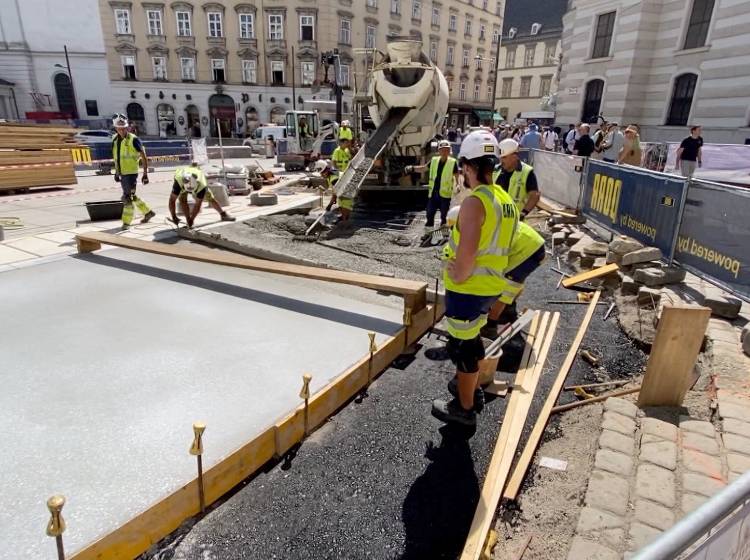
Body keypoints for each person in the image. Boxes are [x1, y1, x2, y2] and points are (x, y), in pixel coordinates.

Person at [431, 130, 519, 427]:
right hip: (490, 288)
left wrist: (454, 271)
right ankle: (472, 391)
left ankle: (464, 408)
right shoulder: (505, 200)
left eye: (463, 169)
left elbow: (466, 257)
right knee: (470, 341)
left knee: (465, 348)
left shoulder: (474, 203)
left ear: (468, 166)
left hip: (468, 289)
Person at [479, 221, 545, 339]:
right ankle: (508, 309)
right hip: (531, 244)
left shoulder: (485, 234)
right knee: (515, 282)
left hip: (527, 250)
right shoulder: (487, 221)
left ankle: (490, 326)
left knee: (506, 289)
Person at [111, 114, 155, 230]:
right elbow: (117, 157)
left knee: (127, 198)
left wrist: (145, 174)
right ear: (115, 128)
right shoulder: (115, 140)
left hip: (131, 174)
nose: (122, 130)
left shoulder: (133, 139)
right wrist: (117, 172)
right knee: (132, 196)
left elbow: (143, 156)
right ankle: (148, 212)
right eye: (119, 128)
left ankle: (126, 222)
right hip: (122, 173)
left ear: (127, 127)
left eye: (124, 128)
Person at [405, 140, 459, 230]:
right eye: (442, 150)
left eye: (447, 150)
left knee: (444, 217)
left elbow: (457, 176)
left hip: (445, 195)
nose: (444, 152)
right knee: (429, 215)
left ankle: (444, 235)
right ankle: (428, 234)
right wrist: (412, 168)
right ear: (439, 151)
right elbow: (423, 168)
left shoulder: (453, 162)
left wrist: (458, 185)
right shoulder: (434, 160)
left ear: (450, 151)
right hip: (433, 194)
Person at [169, 162, 235, 227]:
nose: (190, 193)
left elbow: (197, 205)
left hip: (196, 181)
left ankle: (223, 214)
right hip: (183, 179)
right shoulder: (178, 183)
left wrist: (192, 219)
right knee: (182, 200)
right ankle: (187, 219)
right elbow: (172, 200)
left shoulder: (202, 185)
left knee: (210, 198)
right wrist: (174, 217)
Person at [493, 138, 541, 219]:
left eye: (504, 157)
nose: (501, 160)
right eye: (500, 157)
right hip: (495, 219)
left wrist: (523, 213)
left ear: (514, 157)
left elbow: (534, 195)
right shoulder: (495, 170)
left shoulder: (526, 172)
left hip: (514, 222)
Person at [327, 140, 354, 220]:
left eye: (348, 143)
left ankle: (345, 220)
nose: (347, 144)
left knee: (344, 201)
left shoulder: (346, 150)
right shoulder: (337, 151)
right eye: (346, 143)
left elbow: (335, 192)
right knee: (344, 202)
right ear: (341, 143)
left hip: (345, 176)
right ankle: (345, 218)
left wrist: (330, 204)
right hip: (342, 175)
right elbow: (334, 162)